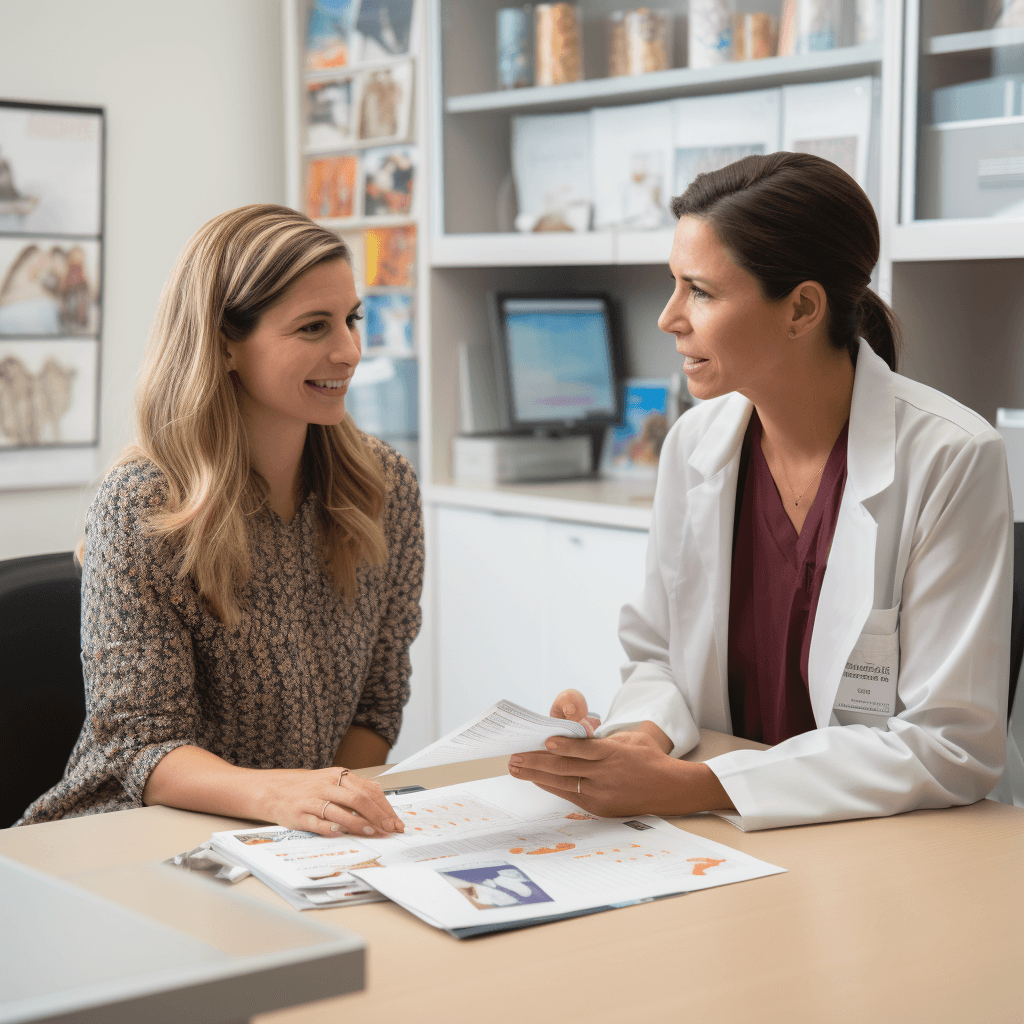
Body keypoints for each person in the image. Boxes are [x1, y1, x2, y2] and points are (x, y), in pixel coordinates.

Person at [508, 152, 1012, 831]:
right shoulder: (695, 444)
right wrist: (639, 740)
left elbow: (948, 747)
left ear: (801, 308)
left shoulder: (951, 457)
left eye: (701, 292)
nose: (668, 318)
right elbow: (658, 659)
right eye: (673, 285)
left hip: (886, 842)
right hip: (725, 839)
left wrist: (691, 785)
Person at [18, 204, 423, 839]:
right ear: (224, 343)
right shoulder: (142, 505)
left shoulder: (385, 488)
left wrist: (332, 819)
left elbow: (377, 705)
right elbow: (140, 747)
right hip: (127, 838)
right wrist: (287, 801)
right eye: (314, 327)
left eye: (351, 319)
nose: (348, 351)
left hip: (292, 843)